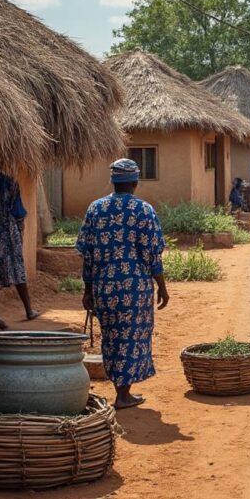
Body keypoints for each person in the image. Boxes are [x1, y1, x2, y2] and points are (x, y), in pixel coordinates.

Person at [76, 158, 169, 410]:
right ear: (135, 182)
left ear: (113, 181)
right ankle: (123, 394)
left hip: (104, 287)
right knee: (131, 337)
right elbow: (153, 255)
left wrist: (88, 290)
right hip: (134, 288)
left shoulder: (95, 209)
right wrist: (161, 286)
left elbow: (88, 254)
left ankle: (121, 389)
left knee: (112, 337)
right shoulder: (144, 210)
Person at [0, 170, 38, 320]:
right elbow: (18, 211)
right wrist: (20, 230)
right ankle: (29, 310)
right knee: (17, 268)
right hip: (8, 232)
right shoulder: (11, 183)